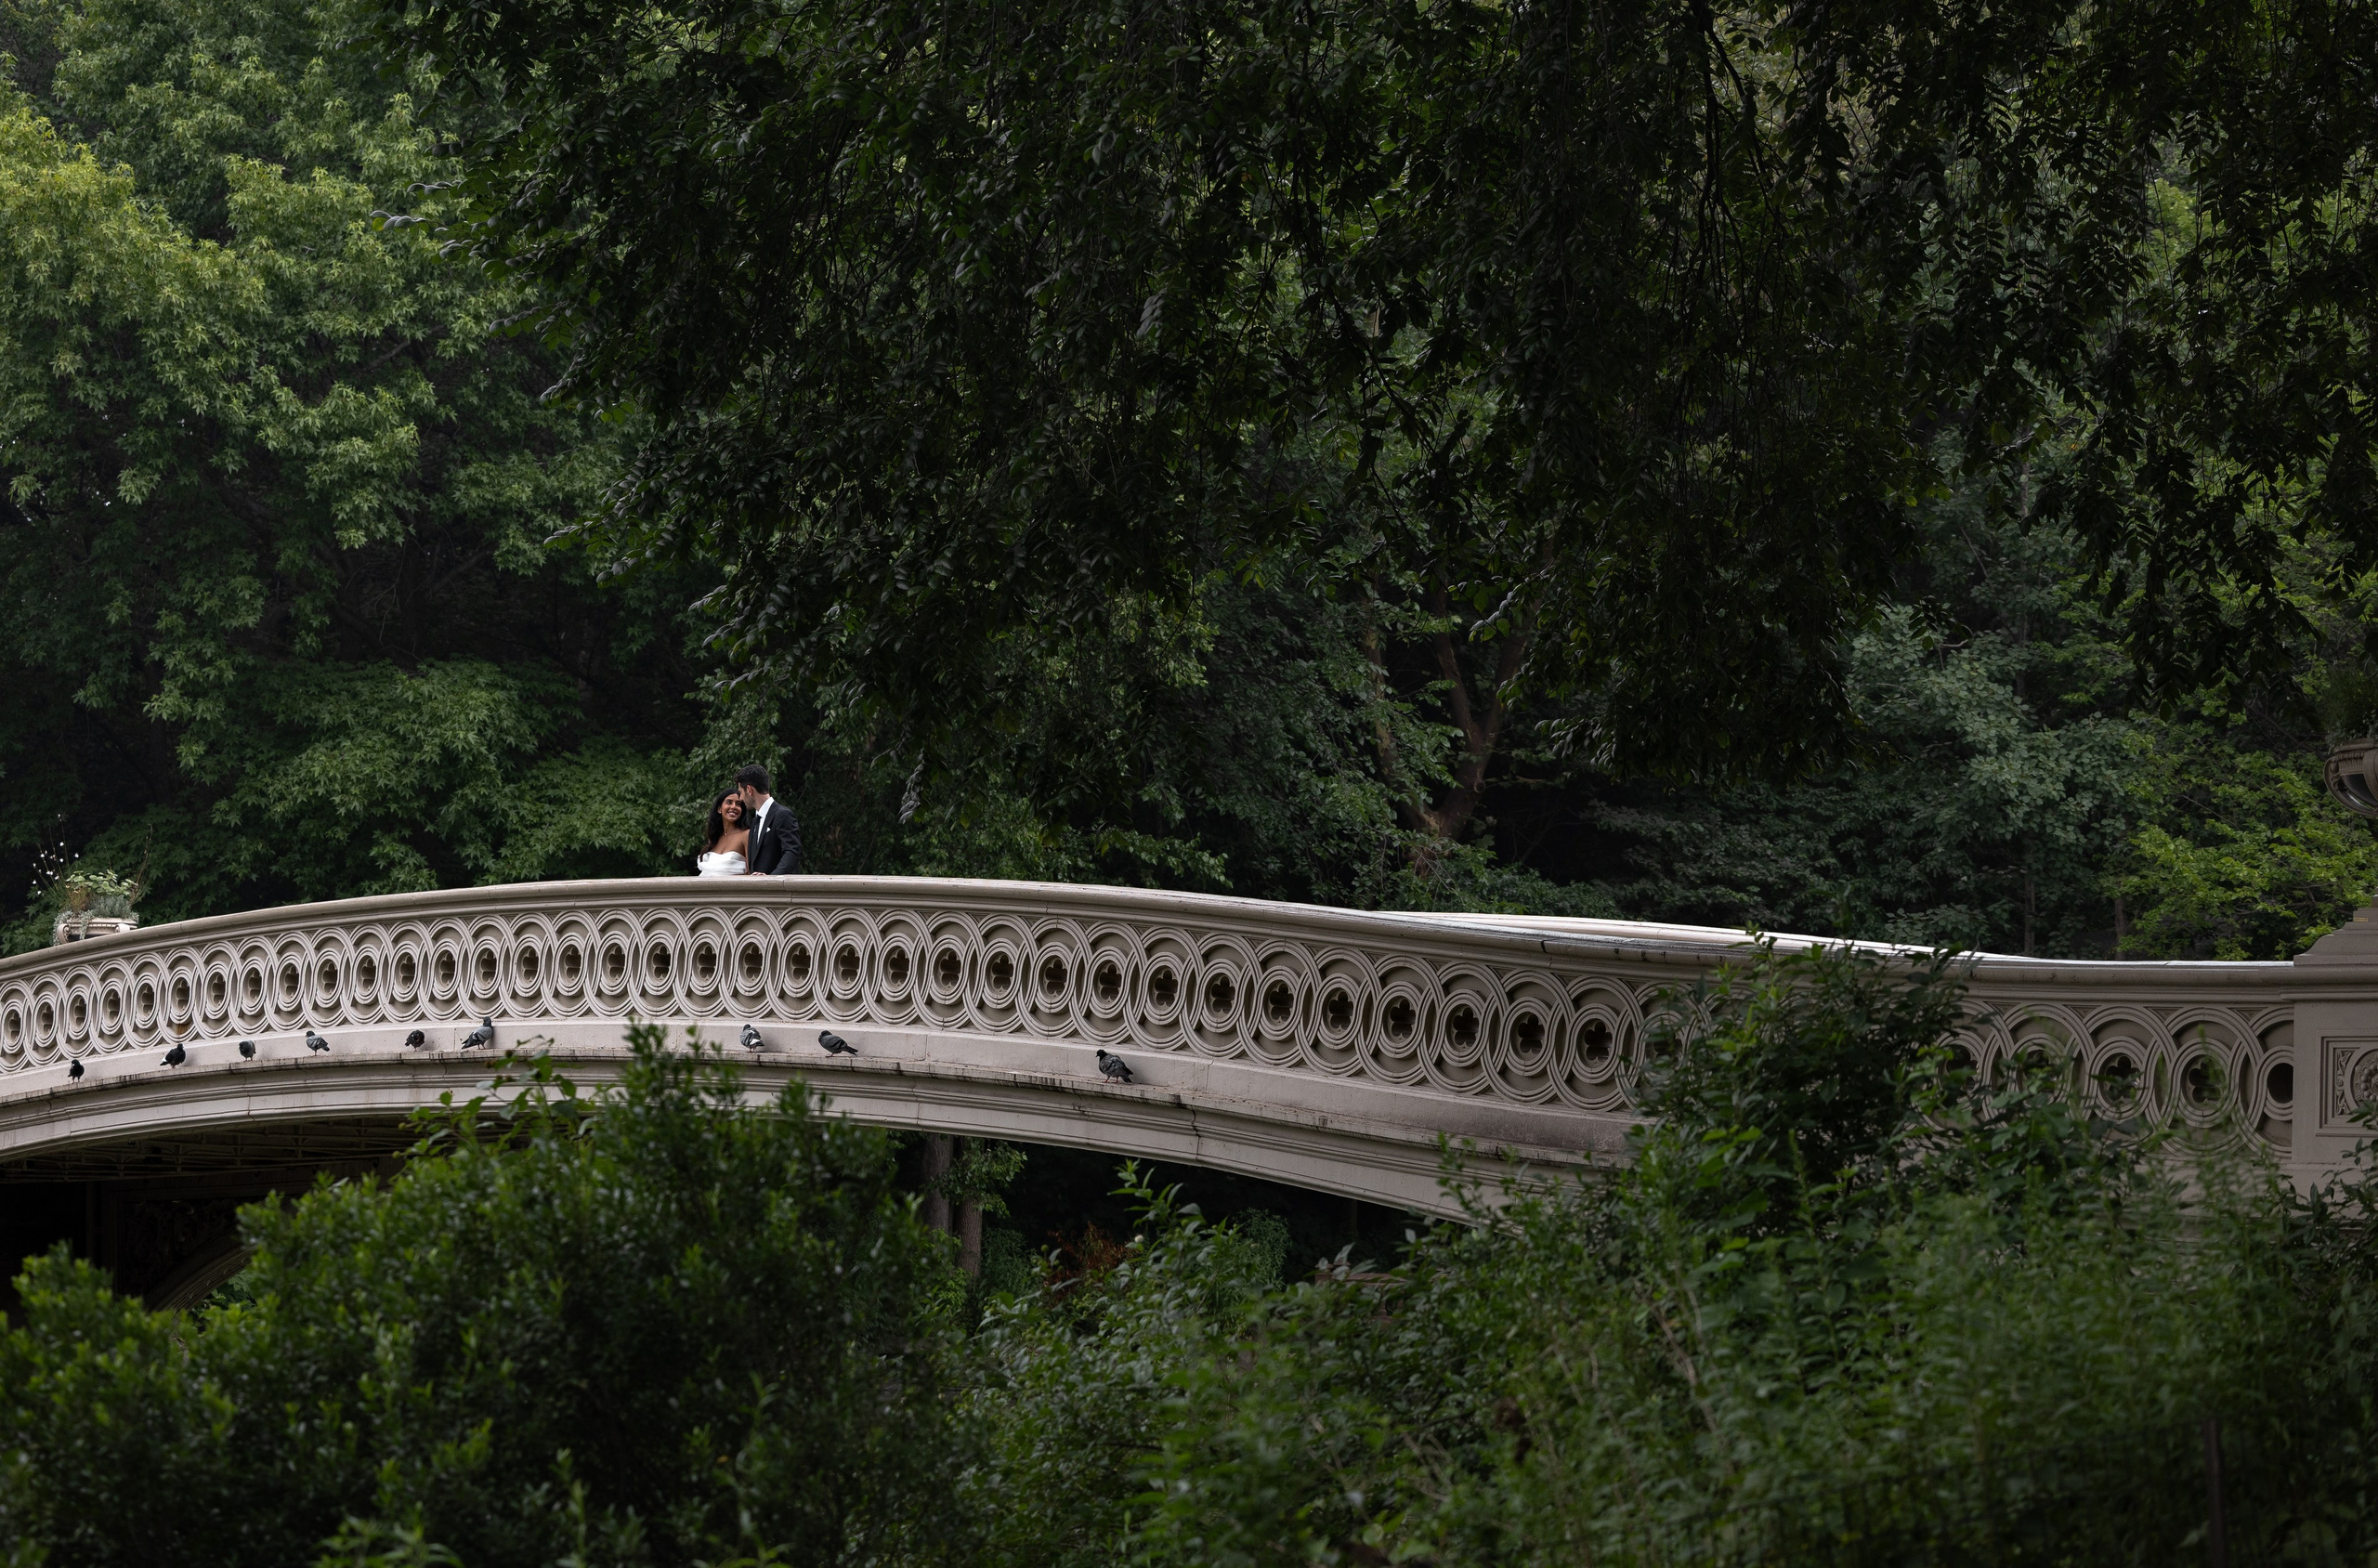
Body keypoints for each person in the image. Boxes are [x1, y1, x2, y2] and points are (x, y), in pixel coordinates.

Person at [736, 764, 802, 875]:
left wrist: (771, 879)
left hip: (777, 890)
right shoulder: (755, 821)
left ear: (749, 790)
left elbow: (792, 851)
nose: (741, 798)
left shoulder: (783, 815)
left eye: (741, 792)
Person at [696, 790, 751, 877]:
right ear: (719, 809)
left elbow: (751, 872)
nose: (734, 807)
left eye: (738, 804)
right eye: (729, 802)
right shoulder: (715, 837)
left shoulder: (746, 835)